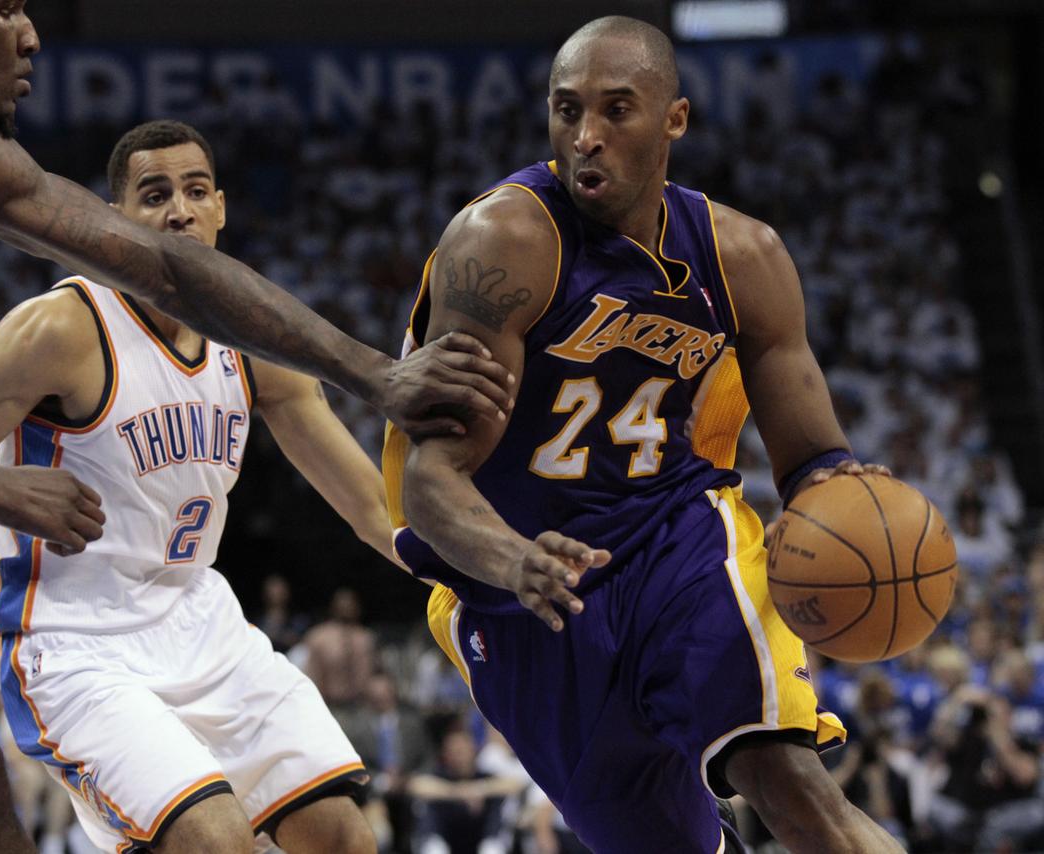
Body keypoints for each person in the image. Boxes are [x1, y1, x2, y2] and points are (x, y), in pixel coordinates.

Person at [0, 2, 510, 848]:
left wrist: (377, 377)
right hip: (76, 637)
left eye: (198, 192)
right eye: (4, 6)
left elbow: (168, 273)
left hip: (184, 619)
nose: (31, 32)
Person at [382, 16, 906, 853]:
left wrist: (839, 499)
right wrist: (513, 558)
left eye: (617, 109)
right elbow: (432, 480)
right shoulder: (506, 241)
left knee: (794, 785)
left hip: (676, 539)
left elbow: (813, 455)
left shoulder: (745, 258)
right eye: (567, 110)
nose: (586, 137)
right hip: (526, 595)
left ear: (675, 119)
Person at [0, 119, 414, 853]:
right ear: (114, 218)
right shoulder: (61, 330)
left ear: (221, 208)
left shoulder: (257, 336)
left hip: (200, 625)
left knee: (346, 838)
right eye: (154, 194)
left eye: (196, 192)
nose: (179, 211)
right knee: (214, 841)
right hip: (72, 643)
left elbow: (374, 511)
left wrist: (487, 582)